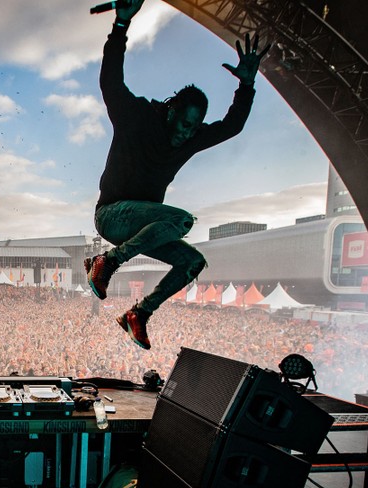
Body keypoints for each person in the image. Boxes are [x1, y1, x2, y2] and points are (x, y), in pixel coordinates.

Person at [85, 0, 270, 350]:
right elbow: (111, 82)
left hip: (146, 225)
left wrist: (246, 86)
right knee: (182, 220)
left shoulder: (192, 136)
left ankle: (139, 313)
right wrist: (120, 27)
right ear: (172, 111)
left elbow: (232, 126)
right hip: (111, 216)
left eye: (195, 128)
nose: (188, 134)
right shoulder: (137, 116)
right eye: (186, 125)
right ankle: (106, 262)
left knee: (192, 261)